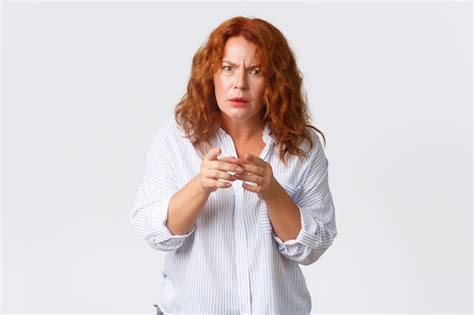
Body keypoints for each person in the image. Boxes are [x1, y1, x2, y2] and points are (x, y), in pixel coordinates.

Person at [129, 16, 338, 315]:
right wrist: (200, 185)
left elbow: (312, 248)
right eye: (228, 68)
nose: (239, 83)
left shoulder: (301, 147)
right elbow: (155, 232)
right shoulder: (177, 138)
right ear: (211, 74)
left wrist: (274, 192)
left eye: (256, 71)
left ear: (274, 81)